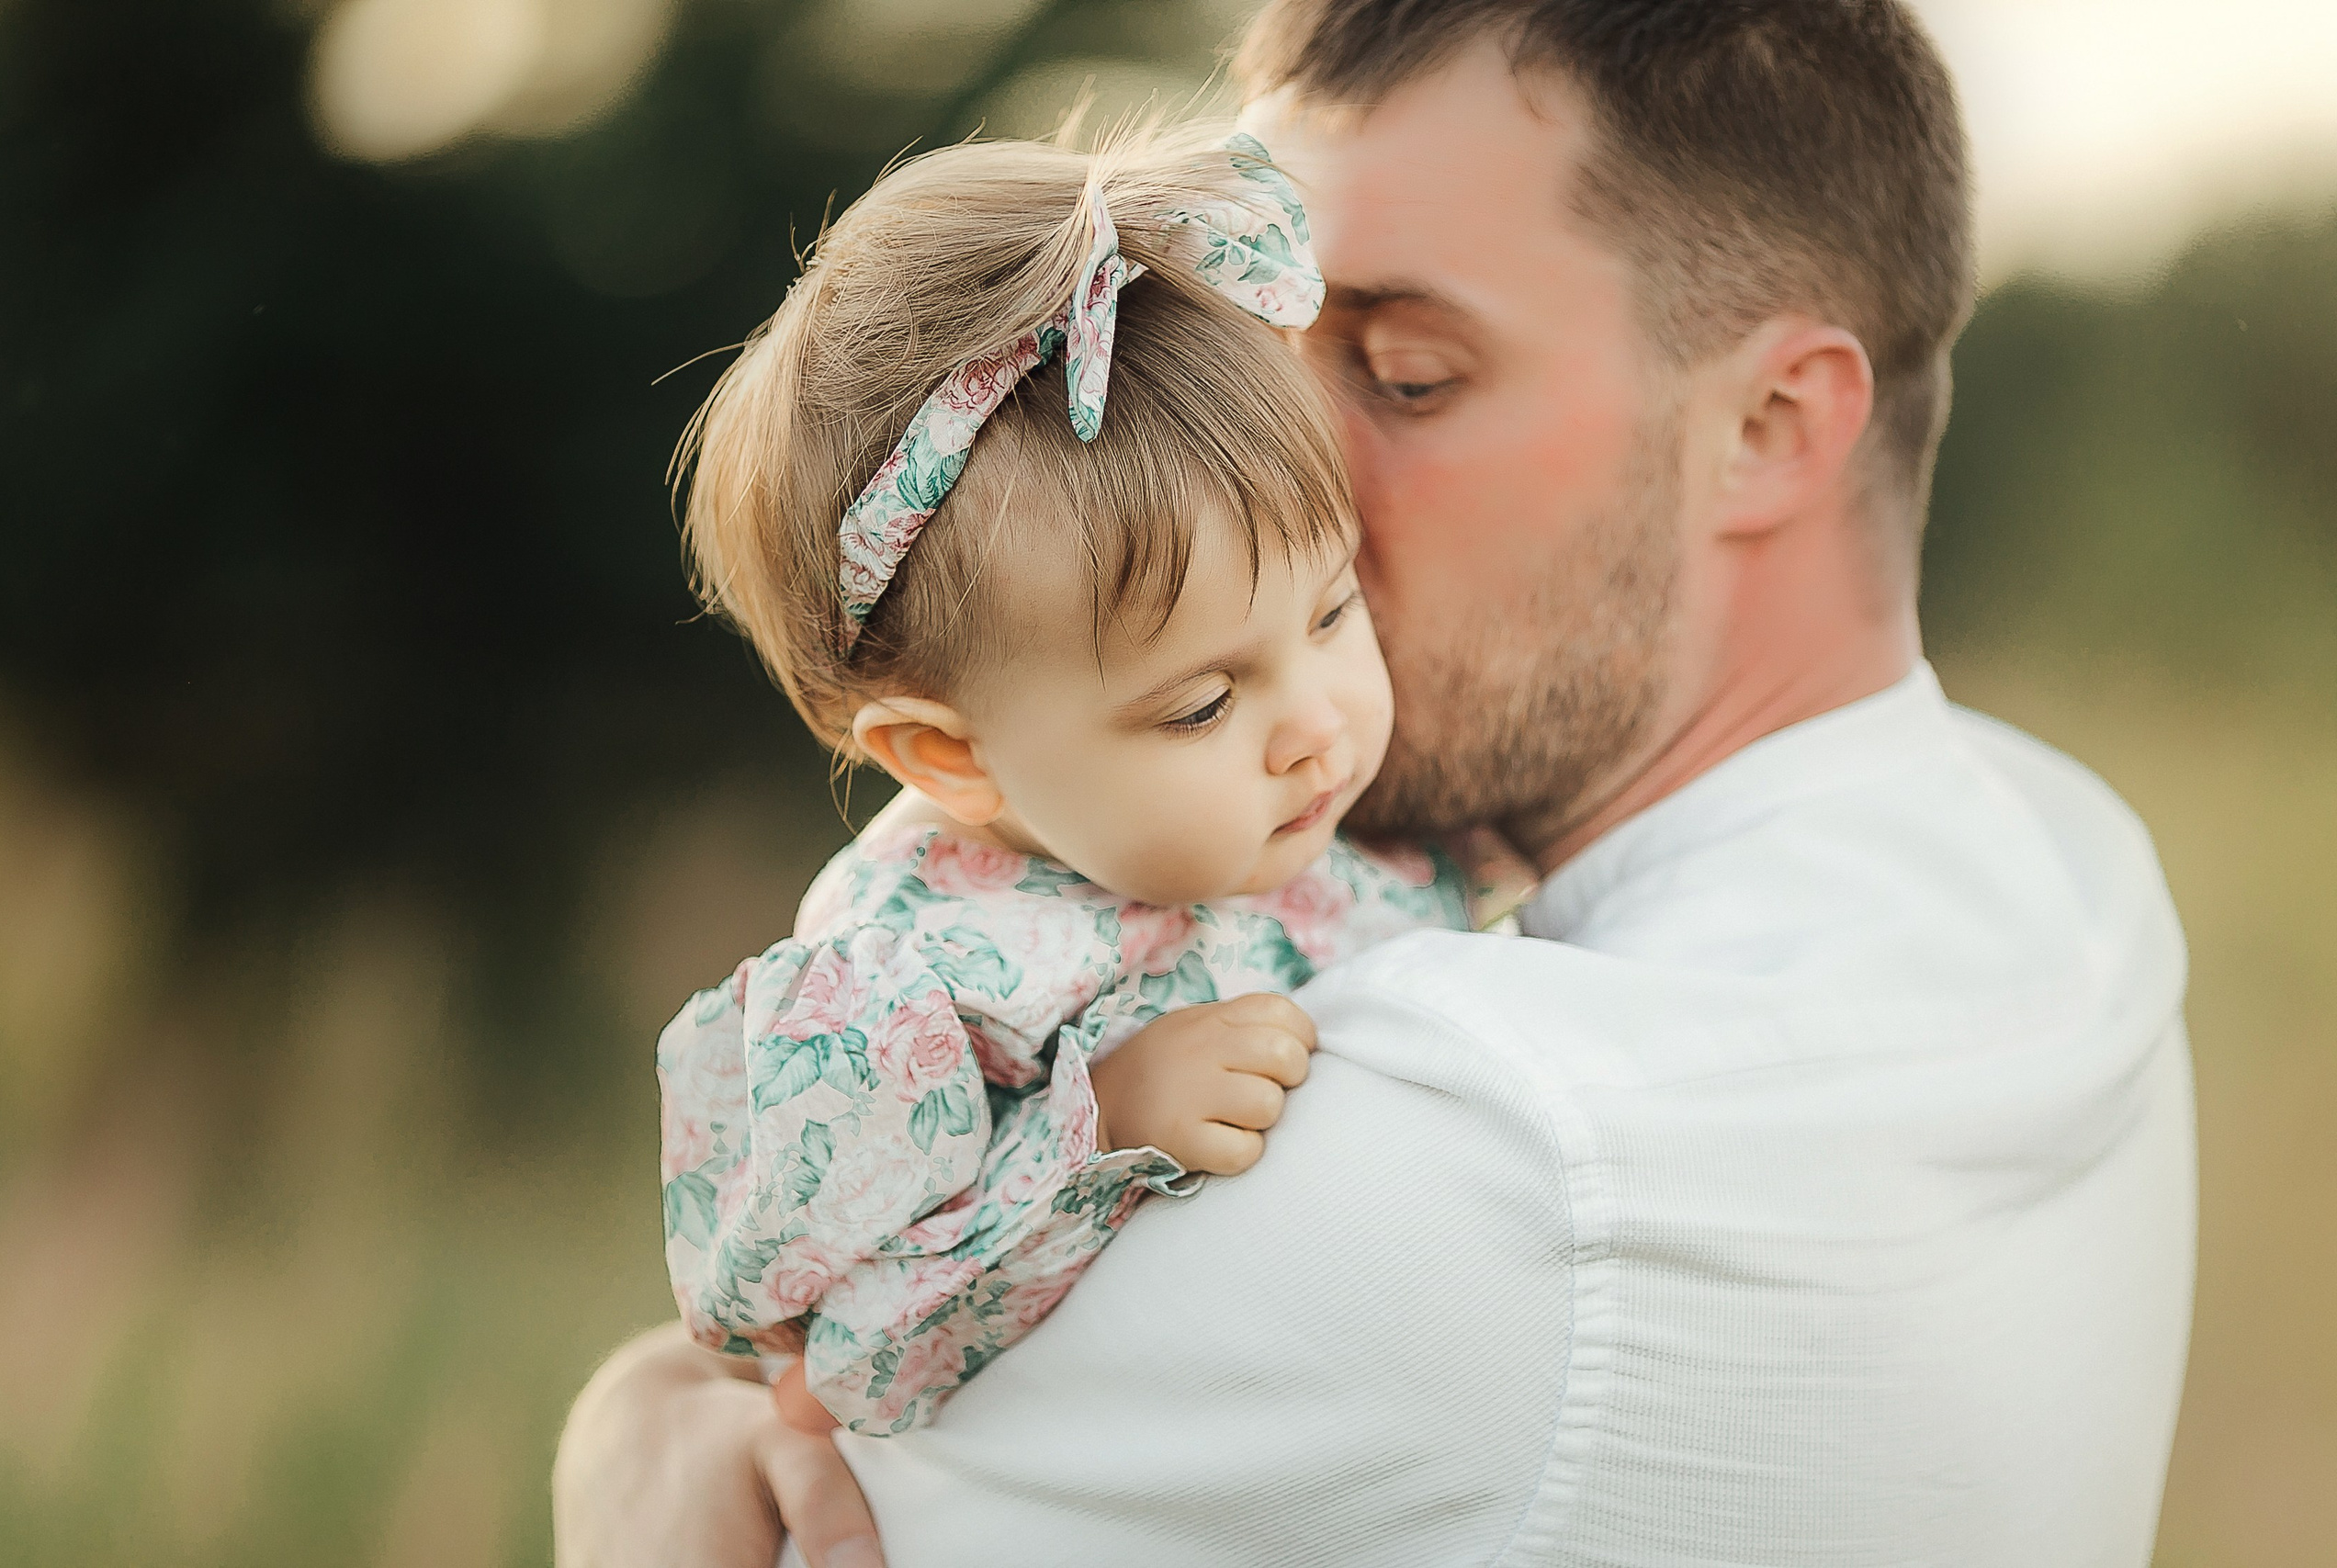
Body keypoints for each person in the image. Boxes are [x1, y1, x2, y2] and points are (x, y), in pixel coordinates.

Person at [556, 3, 2196, 1564]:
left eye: (1407, 373)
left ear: (1772, 423)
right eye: (1254, 345)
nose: (1281, 470)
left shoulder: (1450, 1159)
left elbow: (787, 1469)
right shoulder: (2065, 853)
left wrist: (639, 1431)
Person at [654, 126, 1476, 1441]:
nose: (1316, 723)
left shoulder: (1318, 807)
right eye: (1204, 702)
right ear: (952, 758)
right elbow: (846, 1366)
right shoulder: (925, 990)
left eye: (1332, 612)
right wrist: (1095, 1134)